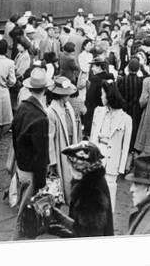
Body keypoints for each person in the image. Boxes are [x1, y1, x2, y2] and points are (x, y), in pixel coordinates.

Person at [11, 68, 52, 240]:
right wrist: (42, 182)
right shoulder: (40, 117)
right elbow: (41, 154)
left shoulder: (22, 107)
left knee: (24, 207)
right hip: (31, 171)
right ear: (45, 90)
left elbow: (13, 137)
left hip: (21, 166)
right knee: (26, 214)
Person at [90, 80, 132, 212]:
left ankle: (109, 221)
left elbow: (125, 146)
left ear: (109, 96)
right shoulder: (98, 112)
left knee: (110, 192)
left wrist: (121, 167)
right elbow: (93, 136)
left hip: (112, 160)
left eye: (103, 94)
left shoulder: (126, 119)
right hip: (97, 158)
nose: (101, 97)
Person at [60, 141, 114, 237]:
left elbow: (87, 231)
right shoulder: (93, 180)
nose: (70, 168)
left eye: (72, 164)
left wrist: (58, 221)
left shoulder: (90, 190)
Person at [46, 77, 81, 205]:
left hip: (71, 150)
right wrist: (52, 162)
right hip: (60, 150)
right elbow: (49, 139)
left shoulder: (69, 107)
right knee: (60, 186)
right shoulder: (50, 112)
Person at [117, 58, 144, 153]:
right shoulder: (141, 81)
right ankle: (133, 147)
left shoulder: (122, 80)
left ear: (128, 68)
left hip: (124, 108)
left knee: (124, 127)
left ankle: (124, 146)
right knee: (134, 127)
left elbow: (119, 94)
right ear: (138, 69)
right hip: (135, 108)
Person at [83, 57, 114, 137]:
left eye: (93, 66)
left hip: (95, 113)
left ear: (99, 67)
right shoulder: (110, 77)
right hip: (107, 112)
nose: (92, 69)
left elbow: (89, 98)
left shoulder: (95, 80)